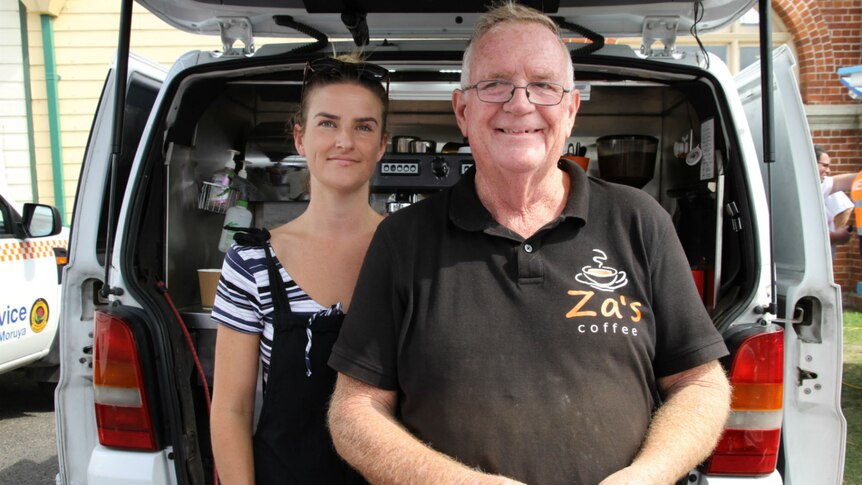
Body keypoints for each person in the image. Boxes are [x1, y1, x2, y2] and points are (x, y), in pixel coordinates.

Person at [327, 3, 731, 484]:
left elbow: (700, 383)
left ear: (571, 107)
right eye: (495, 83)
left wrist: (647, 475)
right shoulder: (402, 239)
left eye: (543, 84)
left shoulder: (640, 222)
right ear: (462, 109)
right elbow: (354, 410)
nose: (520, 104)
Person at [209, 55, 389, 484]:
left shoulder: (411, 253)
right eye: (327, 123)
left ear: (382, 144)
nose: (344, 140)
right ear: (300, 138)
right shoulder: (252, 261)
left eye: (363, 126)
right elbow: (231, 409)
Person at [815, 145, 855, 252]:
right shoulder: (805, 191)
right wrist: (838, 236)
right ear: (811, 163)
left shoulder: (821, 185)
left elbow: (851, 180)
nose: (828, 170)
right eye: (825, 165)